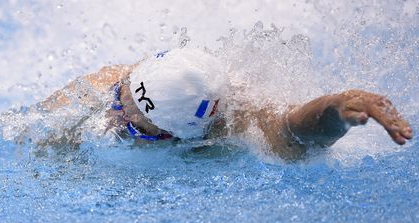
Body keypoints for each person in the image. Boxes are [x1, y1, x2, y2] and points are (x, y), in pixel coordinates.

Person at [37, 48, 413, 160]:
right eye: (120, 99)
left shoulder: (231, 122)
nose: (113, 120)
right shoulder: (100, 86)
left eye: (138, 130)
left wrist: (336, 108)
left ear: (178, 137)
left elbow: (293, 135)